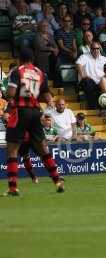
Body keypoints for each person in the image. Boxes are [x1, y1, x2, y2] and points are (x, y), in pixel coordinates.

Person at [4, 48, 64, 196]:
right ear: (32, 59)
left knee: (12, 150)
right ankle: (57, 181)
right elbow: (46, 94)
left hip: (20, 112)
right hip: (36, 113)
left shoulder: (17, 71)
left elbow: (10, 94)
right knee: (43, 149)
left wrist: (9, 94)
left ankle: (13, 187)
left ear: (20, 59)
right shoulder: (40, 73)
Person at [76, 41, 106, 108]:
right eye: (93, 48)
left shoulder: (104, 59)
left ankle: (105, 106)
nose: (96, 50)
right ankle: (92, 107)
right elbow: (78, 64)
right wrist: (82, 75)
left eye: (97, 48)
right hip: (89, 80)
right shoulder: (84, 56)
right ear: (90, 49)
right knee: (87, 81)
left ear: (100, 49)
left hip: (100, 81)